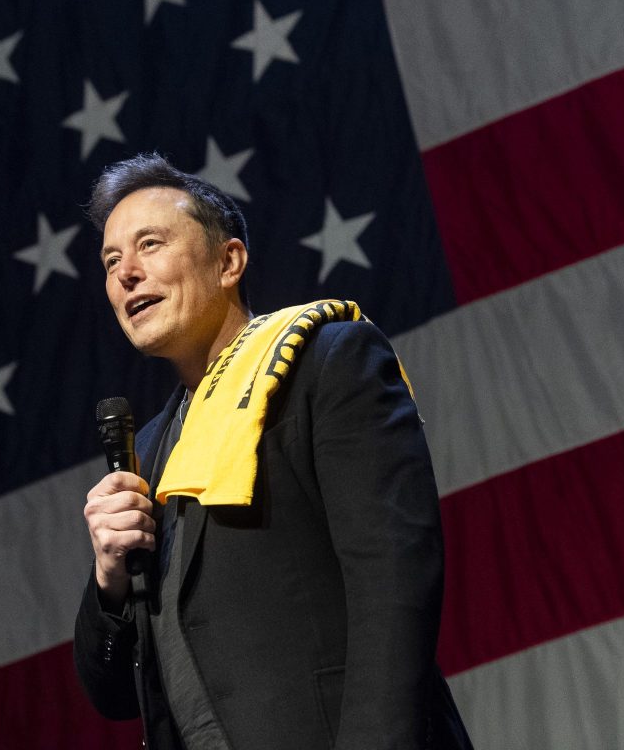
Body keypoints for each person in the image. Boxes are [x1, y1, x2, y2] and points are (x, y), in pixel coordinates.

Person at [74, 153, 473, 750]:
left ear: (229, 261)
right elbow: (113, 694)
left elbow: (393, 583)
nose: (126, 273)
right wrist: (109, 579)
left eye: (149, 244)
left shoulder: (325, 363)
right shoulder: (150, 450)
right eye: (110, 261)